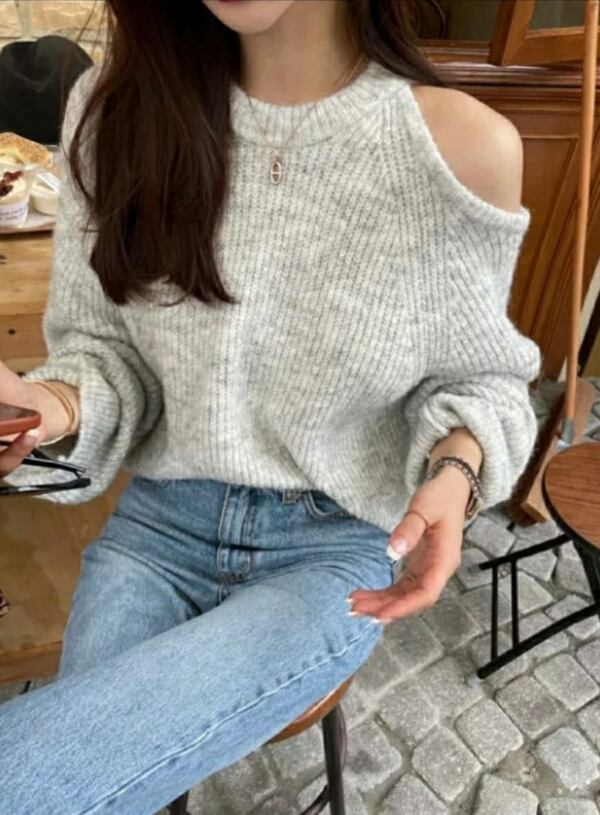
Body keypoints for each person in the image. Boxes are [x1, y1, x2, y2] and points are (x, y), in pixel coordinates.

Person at [0, 0, 542, 812]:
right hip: (159, 527)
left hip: (330, 550)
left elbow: (482, 379)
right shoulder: (116, 115)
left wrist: (456, 471)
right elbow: (108, 358)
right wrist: (47, 406)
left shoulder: (460, 148)